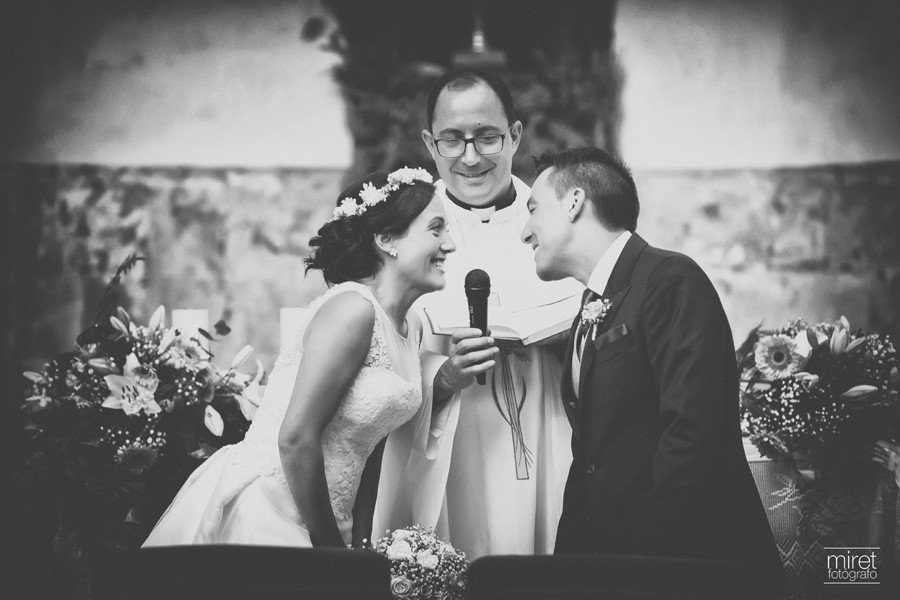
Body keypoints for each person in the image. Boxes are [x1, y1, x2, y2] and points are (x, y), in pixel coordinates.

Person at [143, 167, 469, 548]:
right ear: (386, 239)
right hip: (270, 514)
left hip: (334, 526)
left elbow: (373, 441)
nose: (449, 244)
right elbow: (295, 440)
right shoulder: (352, 310)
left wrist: (360, 543)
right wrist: (330, 555)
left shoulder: (410, 324)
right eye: (435, 229)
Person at [520, 147, 787, 582]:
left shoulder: (669, 279)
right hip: (607, 566)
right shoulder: (590, 306)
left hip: (683, 565)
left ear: (574, 202)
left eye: (533, 208)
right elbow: (593, 459)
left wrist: (643, 567)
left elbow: (691, 434)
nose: (524, 231)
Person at [374, 70, 580, 558]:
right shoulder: (405, 230)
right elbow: (380, 350)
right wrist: (442, 376)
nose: (470, 157)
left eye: (487, 137)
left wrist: (566, 341)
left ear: (514, 136)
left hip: (544, 425)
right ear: (430, 142)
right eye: (452, 140)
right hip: (448, 442)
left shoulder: (558, 220)